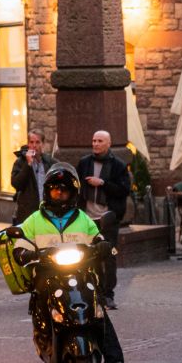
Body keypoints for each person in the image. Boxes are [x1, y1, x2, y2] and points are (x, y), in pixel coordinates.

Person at [15, 164, 137, 363]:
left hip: (80, 273)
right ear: (48, 192)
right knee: (43, 302)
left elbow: (97, 237)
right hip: (48, 274)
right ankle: (46, 340)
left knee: (100, 314)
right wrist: (23, 251)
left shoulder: (83, 218)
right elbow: (21, 243)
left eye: (64, 190)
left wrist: (103, 245)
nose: (59, 193)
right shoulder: (35, 219)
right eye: (55, 190)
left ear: (72, 193)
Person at [76, 130, 132, 310]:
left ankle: (108, 295)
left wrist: (102, 183)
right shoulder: (84, 163)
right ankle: (94, 293)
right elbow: (75, 186)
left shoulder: (118, 165)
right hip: (87, 218)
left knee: (108, 257)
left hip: (108, 219)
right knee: (88, 258)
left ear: (108, 144)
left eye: (100, 141)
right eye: (93, 141)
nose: (95, 144)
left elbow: (124, 190)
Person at [11, 130, 56, 225]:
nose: (34, 145)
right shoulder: (20, 162)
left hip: (47, 212)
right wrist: (28, 164)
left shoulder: (49, 162)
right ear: (28, 144)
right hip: (28, 214)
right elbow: (16, 184)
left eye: (37, 142)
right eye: (31, 142)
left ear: (43, 144)